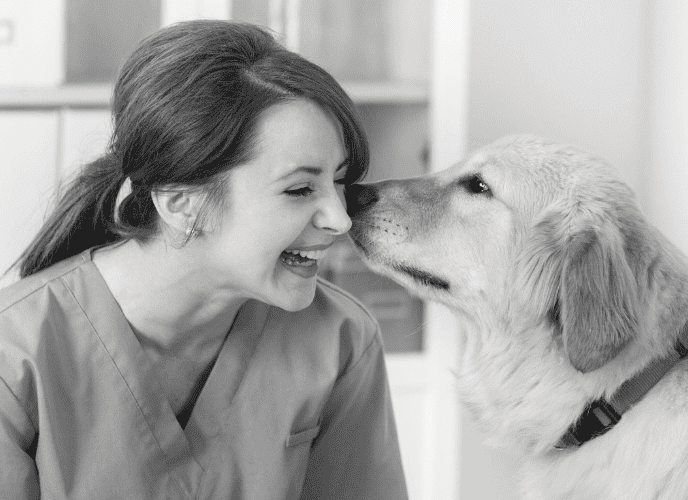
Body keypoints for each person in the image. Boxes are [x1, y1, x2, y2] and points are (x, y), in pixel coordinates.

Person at [0, 20, 408, 500]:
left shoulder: (340, 339)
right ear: (180, 203)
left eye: (338, 182)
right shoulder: (16, 359)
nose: (340, 219)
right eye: (300, 189)